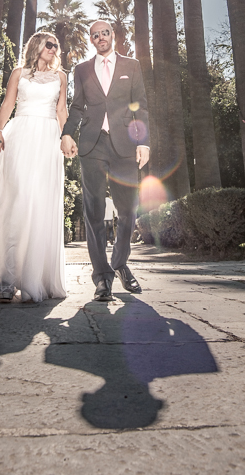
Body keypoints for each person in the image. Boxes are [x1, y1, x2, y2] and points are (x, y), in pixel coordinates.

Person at [0, 32, 68, 302]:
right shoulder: (19, 73)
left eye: (56, 45)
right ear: (36, 46)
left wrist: (66, 137)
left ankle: (37, 278)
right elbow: (8, 103)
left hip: (48, 141)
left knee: (41, 204)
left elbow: (62, 111)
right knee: (18, 201)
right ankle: (8, 279)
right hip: (20, 136)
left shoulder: (61, 77)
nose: (54, 48)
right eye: (49, 44)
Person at [61, 20, 149, 302]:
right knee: (94, 213)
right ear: (91, 39)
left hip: (125, 146)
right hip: (92, 144)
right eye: (95, 35)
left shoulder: (132, 65)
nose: (100, 38)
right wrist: (66, 134)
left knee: (128, 211)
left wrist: (144, 141)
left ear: (113, 35)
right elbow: (76, 106)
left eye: (105, 33)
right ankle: (102, 279)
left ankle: (120, 263)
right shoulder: (82, 69)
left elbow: (140, 104)